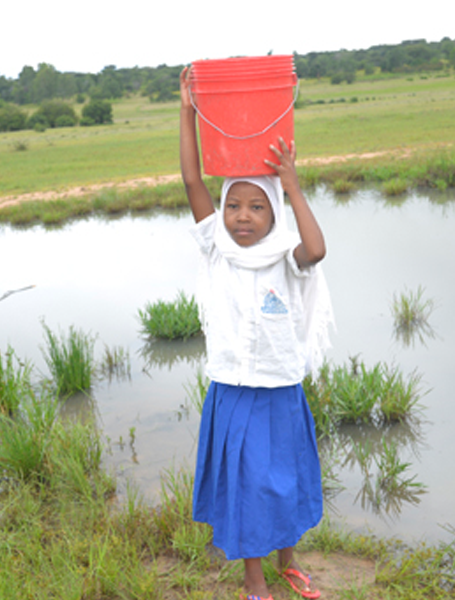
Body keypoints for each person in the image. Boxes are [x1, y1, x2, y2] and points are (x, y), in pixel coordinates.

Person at [180, 66, 333, 600]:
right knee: (248, 488)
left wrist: (291, 184)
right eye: (234, 206)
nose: (242, 217)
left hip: (279, 387)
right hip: (233, 389)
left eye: (257, 206)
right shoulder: (216, 247)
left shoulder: (283, 256)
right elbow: (193, 181)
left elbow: (316, 250)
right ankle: (253, 580)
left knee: (283, 482)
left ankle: (288, 563)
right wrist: (188, 111)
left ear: (274, 213)